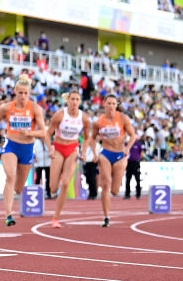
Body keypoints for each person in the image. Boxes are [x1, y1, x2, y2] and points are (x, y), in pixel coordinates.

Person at [0, 75, 48, 226]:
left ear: (29, 93)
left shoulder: (35, 108)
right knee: (10, 176)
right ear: (15, 91)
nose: (23, 96)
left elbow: (43, 132)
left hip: (27, 148)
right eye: (20, 92)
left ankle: (13, 200)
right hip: (10, 145)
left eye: (26, 93)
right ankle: (9, 215)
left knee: (19, 188)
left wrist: (29, 133)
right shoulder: (6, 107)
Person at [48, 90, 93, 228]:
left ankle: (56, 218)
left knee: (66, 183)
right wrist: (50, 149)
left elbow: (86, 137)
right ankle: (59, 175)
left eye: (77, 99)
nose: (74, 102)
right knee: (53, 188)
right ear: (68, 100)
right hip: (58, 148)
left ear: (80, 102)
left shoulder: (84, 118)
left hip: (72, 149)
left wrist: (84, 152)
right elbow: (47, 133)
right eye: (72, 99)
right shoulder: (60, 115)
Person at [90, 95, 136, 227]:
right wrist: (94, 152)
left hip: (120, 155)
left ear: (116, 105)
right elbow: (92, 138)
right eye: (108, 103)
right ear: (104, 104)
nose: (111, 106)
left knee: (115, 190)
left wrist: (128, 148)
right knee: (105, 184)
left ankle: (117, 179)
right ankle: (106, 217)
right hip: (105, 153)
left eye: (113, 103)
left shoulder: (123, 118)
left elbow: (133, 135)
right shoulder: (99, 121)